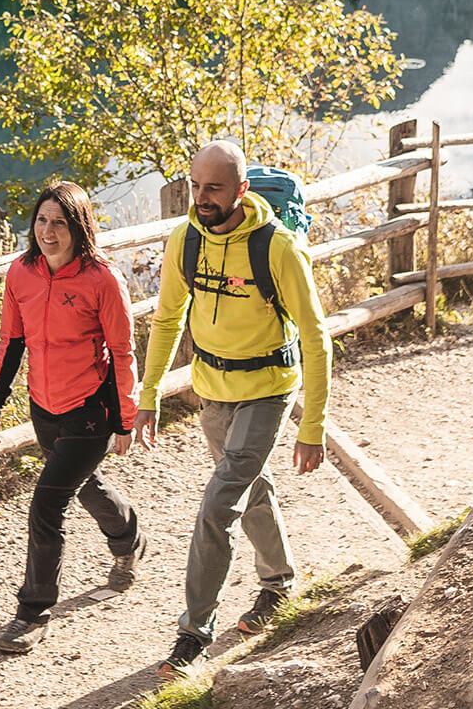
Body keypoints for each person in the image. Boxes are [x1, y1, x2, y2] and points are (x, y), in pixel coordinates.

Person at [134, 140, 332, 679]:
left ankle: (193, 632)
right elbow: (168, 318)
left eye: (214, 188)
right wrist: (148, 392)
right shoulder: (186, 241)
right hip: (211, 389)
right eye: (195, 186)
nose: (201, 198)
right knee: (250, 485)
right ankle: (279, 585)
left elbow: (316, 338)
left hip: (269, 387)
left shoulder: (278, 248)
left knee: (219, 504)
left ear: (241, 189)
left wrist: (310, 426)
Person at [0, 181, 147, 653]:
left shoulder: (101, 278)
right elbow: (11, 343)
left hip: (89, 409)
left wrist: (124, 418)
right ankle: (130, 538)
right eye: (41, 221)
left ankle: (33, 612)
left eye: (59, 222)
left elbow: (121, 351)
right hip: (43, 407)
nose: (48, 232)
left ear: (78, 227)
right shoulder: (22, 273)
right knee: (83, 484)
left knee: (46, 504)